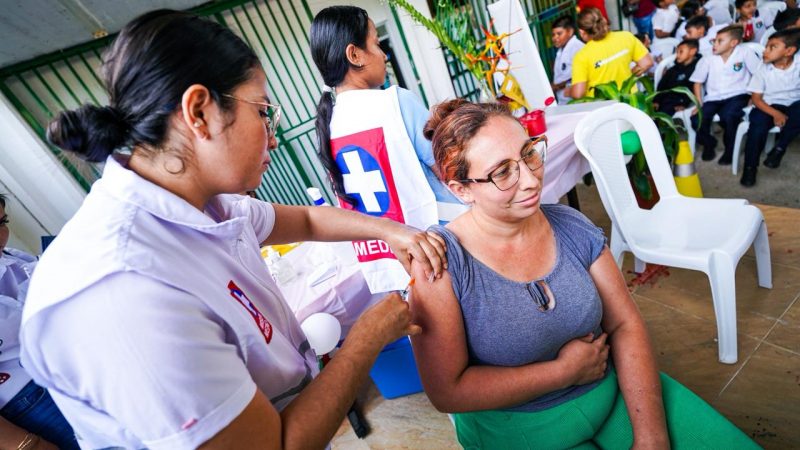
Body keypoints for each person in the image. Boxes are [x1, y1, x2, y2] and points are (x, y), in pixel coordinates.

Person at [19, 10, 446, 449]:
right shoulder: (122, 292)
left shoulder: (206, 203)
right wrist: (365, 339)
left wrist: (397, 233)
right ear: (200, 112)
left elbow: (308, 219)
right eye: (263, 112)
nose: (273, 137)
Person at [407, 98, 760, 449]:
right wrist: (562, 372)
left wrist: (651, 437)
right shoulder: (442, 264)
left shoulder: (571, 226)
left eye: (529, 153)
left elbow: (625, 324)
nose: (531, 181)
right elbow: (447, 391)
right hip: (520, 433)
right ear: (461, 189)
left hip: (613, 396)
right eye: (502, 172)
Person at [310, 5, 460, 218]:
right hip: (443, 232)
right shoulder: (397, 103)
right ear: (354, 54)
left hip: (388, 248)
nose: (384, 55)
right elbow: (449, 169)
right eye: (377, 44)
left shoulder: (328, 127)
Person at [0, 194, 79, 450]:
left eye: (2, 222)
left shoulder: (13, 261)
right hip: (29, 404)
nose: (1, 237)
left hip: (72, 375)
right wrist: (26, 445)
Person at [691, 25, 761, 163]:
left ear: (733, 43)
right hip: (713, 97)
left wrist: (754, 96)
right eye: (714, 41)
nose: (714, 44)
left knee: (729, 116)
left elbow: (758, 74)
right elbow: (697, 82)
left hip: (738, 94)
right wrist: (699, 103)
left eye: (719, 41)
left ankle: (730, 150)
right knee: (697, 119)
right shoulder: (708, 58)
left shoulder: (744, 52)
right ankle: (709, 143)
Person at [740, 29, 800, 186]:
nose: (765, 51)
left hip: (795, 103)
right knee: (757, 129)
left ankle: (779, 149)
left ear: (789, 51)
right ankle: (750, 168)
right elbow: (756, 99)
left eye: (772, 47)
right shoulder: (763, 68)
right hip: (767, 104)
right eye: (766, 47)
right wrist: (776, 114)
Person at [569, 8, 654, 99]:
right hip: (630, 101)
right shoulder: (626, 36)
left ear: (582, 32)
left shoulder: (581, 56)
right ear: (604, 21)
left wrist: (569, 91)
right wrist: (628, 75)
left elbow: (578, 94)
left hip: (602, 107)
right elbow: (647, 62)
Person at [655, 39, 702, 116]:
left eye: (681, 52)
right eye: (677, 52)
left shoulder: (698, 67)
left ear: (692, 51)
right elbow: (662, 85)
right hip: (668, 99)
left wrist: (684, 104)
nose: (677, 55)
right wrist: (656, 100)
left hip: (682, 101)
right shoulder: (673, 69)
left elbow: (693, 89)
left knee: (665, 112)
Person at [551, 16, 585, 104]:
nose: (555, 38)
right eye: (553, 35)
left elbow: (582, 74)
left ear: (570, 31)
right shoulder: (561, 50)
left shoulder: (577, 48)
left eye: (559, 34)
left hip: (575, 100)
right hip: (563, 100)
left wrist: (557, 86)